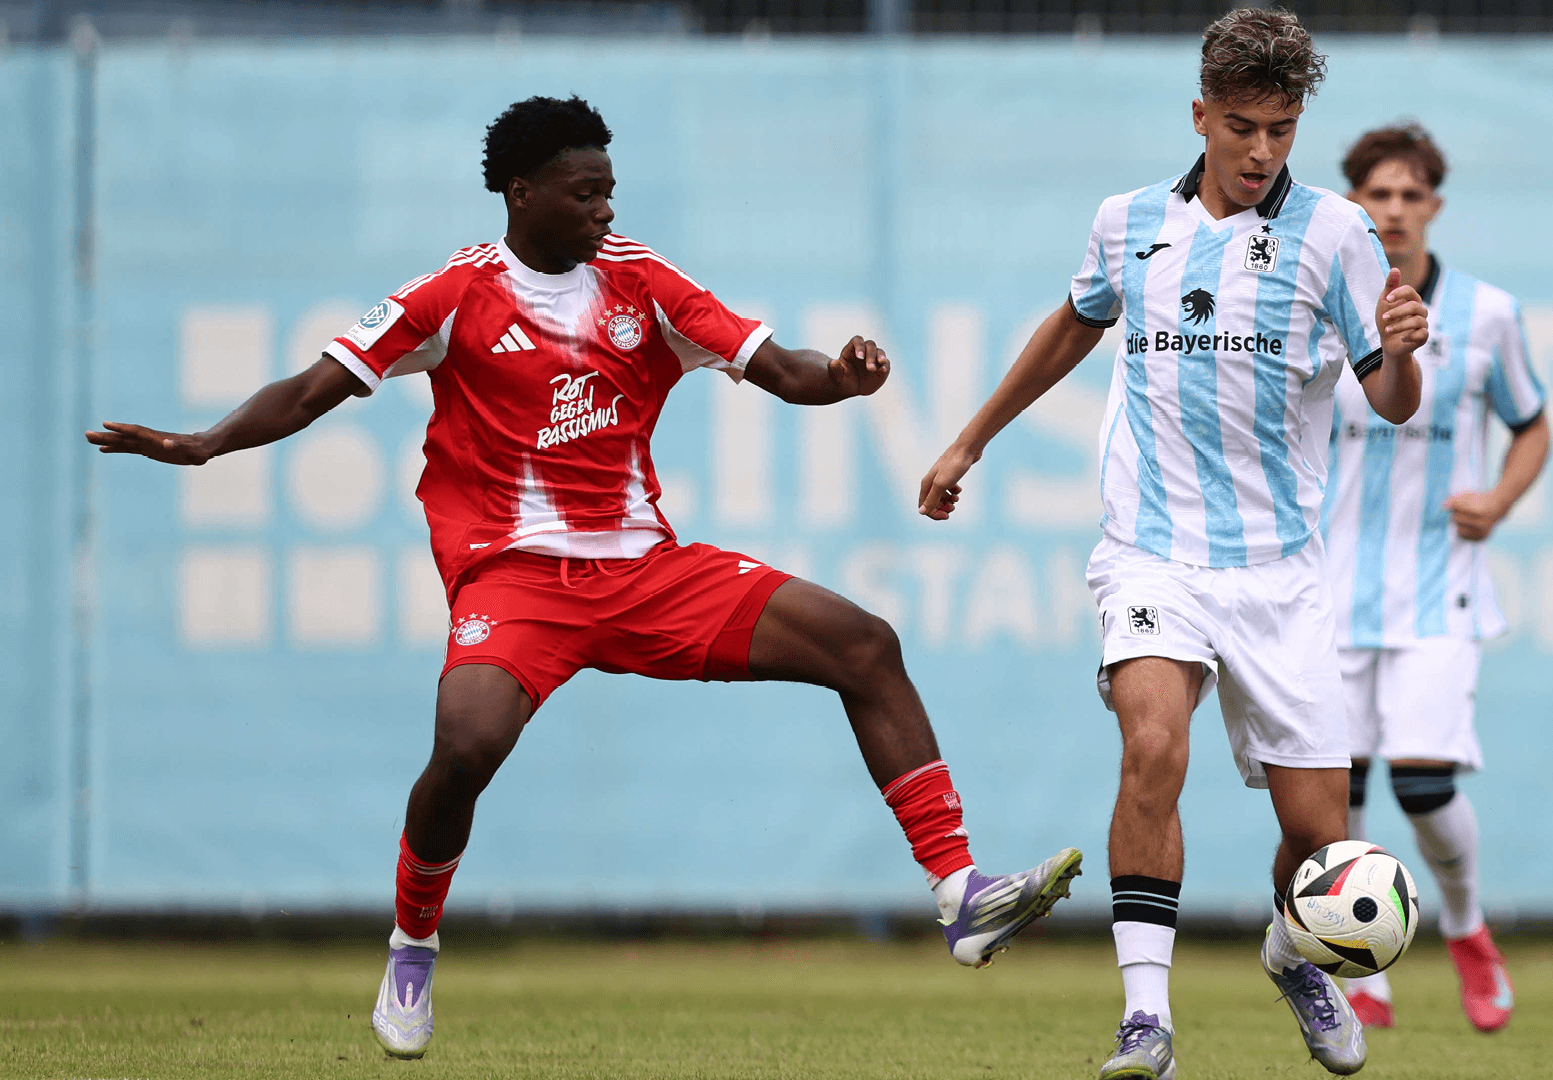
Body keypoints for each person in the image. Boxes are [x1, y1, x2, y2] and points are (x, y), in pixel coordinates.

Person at [85, 95, 1081, 1060]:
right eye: (584, 192)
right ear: (520, 194)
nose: (606, 209)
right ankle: (413, 948)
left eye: (610, 190)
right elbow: (314, 387)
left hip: (644, 570)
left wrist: (845, 378)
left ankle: (961, 896)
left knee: (863, 643)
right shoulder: (450, 296)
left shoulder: (643, 280)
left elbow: (784, 370)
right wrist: (206, 443)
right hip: (514, 578)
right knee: (466, 745)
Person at [918, 10, 1426, 1077]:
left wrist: (1404, 352)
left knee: (1320, 840)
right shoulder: (1129, 221)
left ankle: (1293, 952)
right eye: (1241, 126)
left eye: (1281, 130)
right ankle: (1146, 1018)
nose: (1260, 151)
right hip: (1150, 551)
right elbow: (1075, 321)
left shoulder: (1338, 234)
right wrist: (969, 440)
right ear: (1200, 114)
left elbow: (1389, 400)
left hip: (1279, 571)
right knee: (1153, 746)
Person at [1321, 123, 1550, 1034]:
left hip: (1438, 587)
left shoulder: (1487, 313)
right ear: (1353, 205)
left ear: (1434, 207)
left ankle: (1465, 929)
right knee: (1336, 791)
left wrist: (1498, 499)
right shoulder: (1320, 306)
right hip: (1328, 590)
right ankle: (1360, 966)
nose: (1395, 210)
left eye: (1410, 195)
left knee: (1422, 786)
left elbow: (1531, 423)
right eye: (1378, 195)